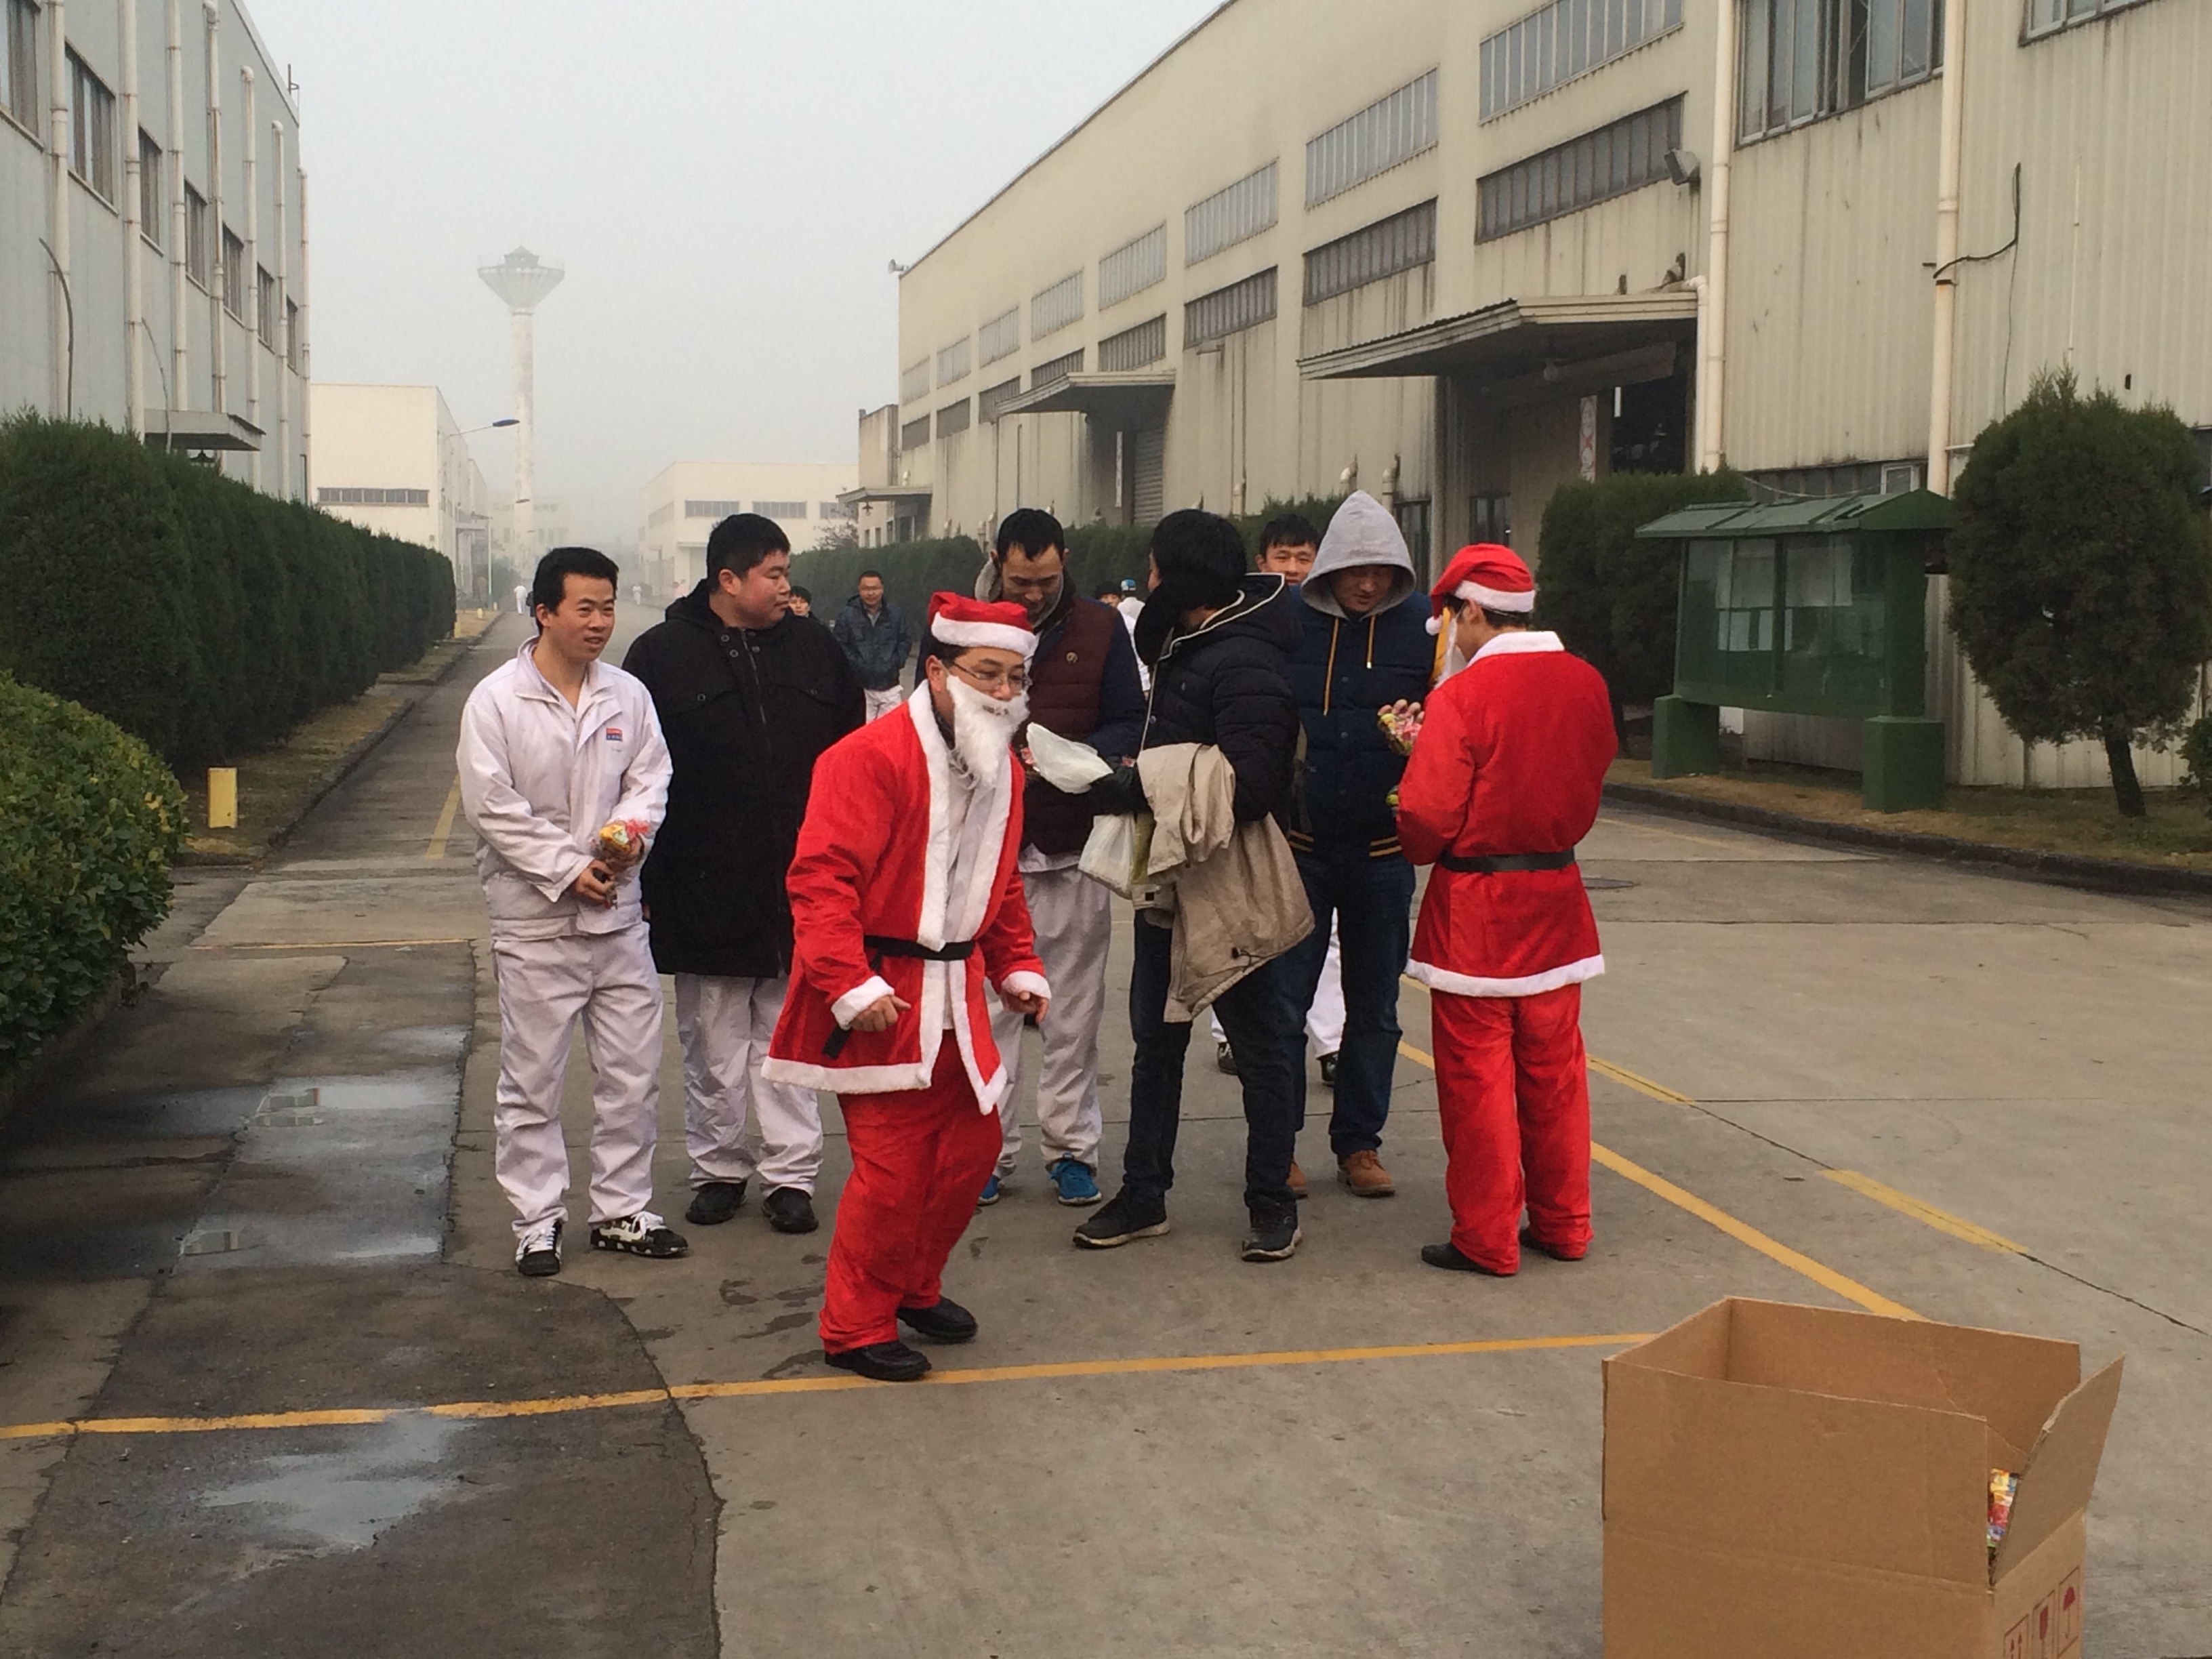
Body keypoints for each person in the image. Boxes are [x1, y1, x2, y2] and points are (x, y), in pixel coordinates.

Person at [762, 594, 1051, 1382]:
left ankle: (912, 1286)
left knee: (970, 1153)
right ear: (937, 670)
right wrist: (847, 983)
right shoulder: (867, 758)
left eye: (1014, 677)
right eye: (986, 673)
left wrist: (1015, 963)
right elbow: (820, 880)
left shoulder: (1002, 769)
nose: (1003, 691)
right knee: (892, 1174)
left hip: (958, 996)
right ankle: (854, 1325)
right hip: (882, 995)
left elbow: (1001, 882)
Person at [1074, 510, 1311, 1263]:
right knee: (1157, 1043)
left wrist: (1144, 781)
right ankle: (1144, 1194)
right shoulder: (1188, 648)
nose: (1147, 583)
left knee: (1261, 1048)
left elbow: (1255, 783)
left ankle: (1272, 1201)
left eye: (1155, 569)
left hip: (1229, 881)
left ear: (1182, 578)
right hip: (1172, 877)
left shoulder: (1245, 659)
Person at [621, 514, 865, 1238]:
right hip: (704, 882)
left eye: (788, 573)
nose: (787, 588)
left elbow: (852, 756)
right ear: (727, 580)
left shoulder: (816, 649)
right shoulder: (661, 656)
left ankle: (791, 1176)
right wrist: (649, 880)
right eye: (774, 575)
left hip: (800, 884)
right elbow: (634, 775)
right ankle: (719, 1169)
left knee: (789, 1040)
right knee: (713, 1043)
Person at [458, 547, 687, 1278]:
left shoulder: (628, 695)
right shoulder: (496, 701)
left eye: (608, 607)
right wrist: (567, 869)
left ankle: (621, 1209)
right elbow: (493, 806)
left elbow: (651, 778)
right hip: (535, 923)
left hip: (619, 918)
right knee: (533, 1081)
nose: (600, 622)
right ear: (545, 612)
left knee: (633, 1075)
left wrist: (628, 840)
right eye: (584, 608)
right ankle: (537, 1220)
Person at [1393, 545, 1616, 1275]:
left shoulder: (1462, 699)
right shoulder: (1586, 682)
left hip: (1476, 911)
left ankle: (1486, 1235)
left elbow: (1426, 818)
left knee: (1477, 1080)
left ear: (1469, 611)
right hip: (1557, 900)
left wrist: (1408, 815)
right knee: (1556, 1074)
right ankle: (1565, 1223)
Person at [972, 508, 1146, 1206]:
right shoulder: (965, 627)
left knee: (1072, 1012)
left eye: (1046, 579)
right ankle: (987, 1151)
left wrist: (1067, 758)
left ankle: (1071, 1149)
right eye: (1021, 580)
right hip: (990, 851)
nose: (1035, 591)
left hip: (1074, 844)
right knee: (991, 1011)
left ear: (1065, 561)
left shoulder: (1101, 629)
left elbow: (1130, 720)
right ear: (997, 562)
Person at [1277, 493, 1433, 1201]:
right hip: (1300, 849)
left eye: (1380, 571)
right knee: (1284, 1005)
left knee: (1375, 1009)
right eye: (1354, 571)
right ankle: (1277, 1145)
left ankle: (1360, 1144)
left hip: (1382, 853)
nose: (1367, 584)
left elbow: (1453, 717)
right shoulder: (1289, 622)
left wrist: (1422, 738)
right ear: (1329, 568)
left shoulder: (1423, 629)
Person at [1213, 512, 1342, 1089]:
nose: (1293, 569)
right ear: (1260, 562)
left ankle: (1332, 1041)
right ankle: (1229, 1031)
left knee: (1320, 927)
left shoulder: (1328, 623)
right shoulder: (1236, 617)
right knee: (1242, 911)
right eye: (1282, 558)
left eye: (1304, 558)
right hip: (1250, 785)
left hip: (1310, 796)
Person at [832, 571, 916, 720]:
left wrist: (896, 662)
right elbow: (840, 645)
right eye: (866, 589)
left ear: (882, 589)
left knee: (890, 730)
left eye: (875, 588)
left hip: (890, 685)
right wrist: (857, 665)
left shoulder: (895, 614)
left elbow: (904, 640)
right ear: (859, 589)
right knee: (863, 730)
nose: (871, 593)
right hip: (861, 687)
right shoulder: (847, 615)